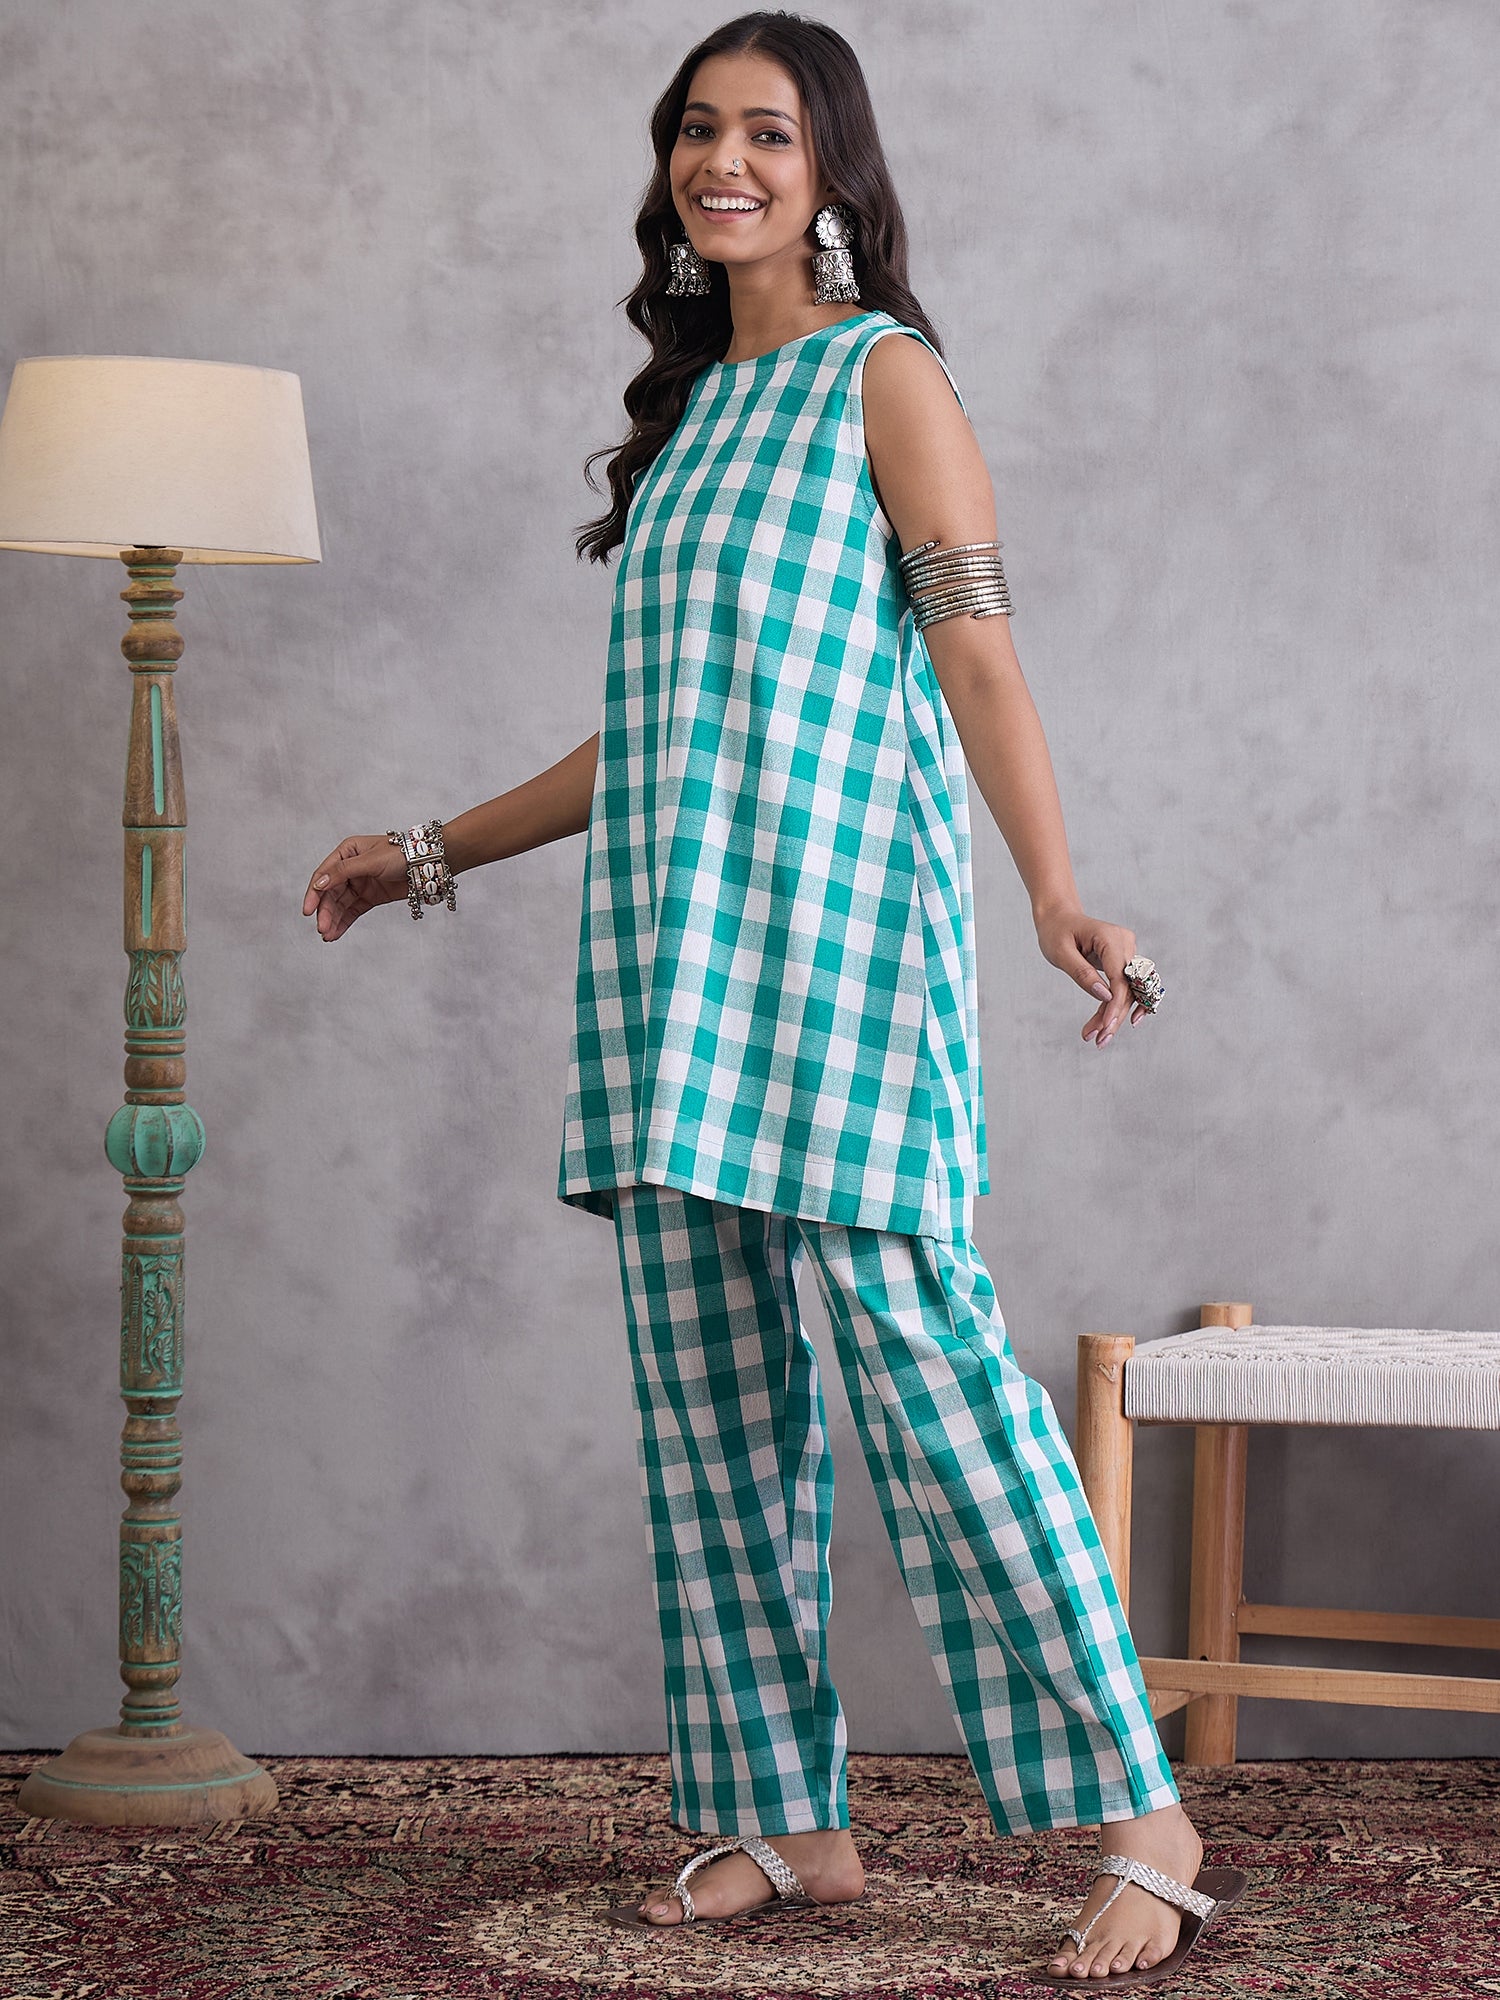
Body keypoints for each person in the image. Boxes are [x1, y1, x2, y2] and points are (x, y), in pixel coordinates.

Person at [302, 11, 1246, 1986]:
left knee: (932, 1374)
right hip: (670, 964)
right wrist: (430, 852)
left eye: (768, 134)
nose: (723, 162)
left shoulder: (886, 377)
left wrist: (1053, 893)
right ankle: (784, 1813)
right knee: (711, 1403)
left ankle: (1141, 1807)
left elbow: (978, 657)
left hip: (841, 950)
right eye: (697, 130)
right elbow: (648, 728)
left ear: (832, 174)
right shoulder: (689, 421)